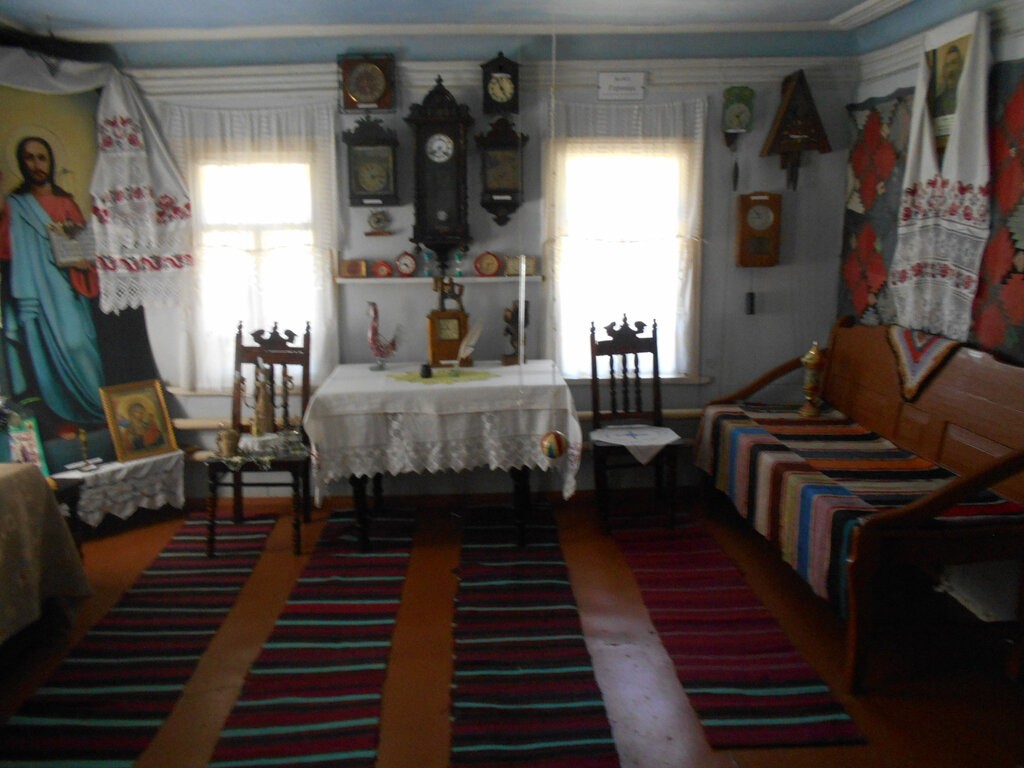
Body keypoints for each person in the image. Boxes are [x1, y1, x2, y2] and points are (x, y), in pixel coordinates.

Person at [0, 135, 106, 425]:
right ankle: (64, 418)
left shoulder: (65, 202)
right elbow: (5, 250)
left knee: (76, 343)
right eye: (29, 158)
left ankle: (97, 409)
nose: (36, 164)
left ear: (50, 162)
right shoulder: (15, 205)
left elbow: (84, 248)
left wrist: (82, 260)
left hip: (67, 290)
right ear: (21, 163)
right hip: (35, 292)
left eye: (41, 157)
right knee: (41, 355)